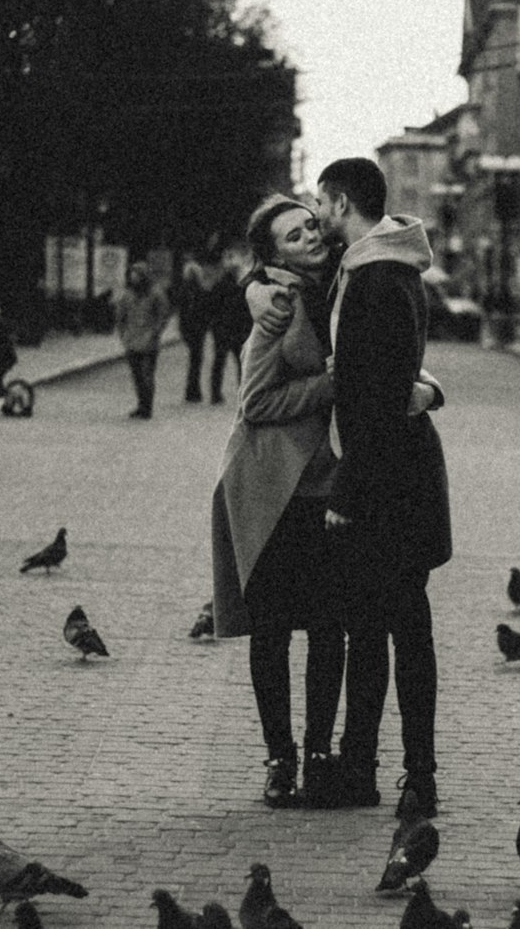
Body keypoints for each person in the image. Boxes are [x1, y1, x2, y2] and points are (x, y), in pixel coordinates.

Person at [227, 192, 443, 811]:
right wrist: (332, 383)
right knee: (272, 631)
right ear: (273, 258)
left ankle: (320, 755)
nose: (310, 237)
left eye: (310, 224)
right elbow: (256, 403)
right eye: (292, 238)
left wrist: (425, 388)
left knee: (329, 628)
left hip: (333, 484)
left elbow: (387, 353)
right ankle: (280, 760)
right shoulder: (278, 303)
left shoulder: (352, 278)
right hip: (278, 489)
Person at [316, 157, 451, 818]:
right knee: (369, 631)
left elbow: (380, 393)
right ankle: (361, 768)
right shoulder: (367, 273)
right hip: (385, 474)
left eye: (321, 202)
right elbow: (392, 380)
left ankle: (418, 777)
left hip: (391, 483)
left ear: (342, 204)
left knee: (404, 633)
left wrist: (346, 488)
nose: (316, 215)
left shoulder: (381, 279)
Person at [114, 261, 171, 420]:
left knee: (147, 374)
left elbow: (163, 314)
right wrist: (123, 334)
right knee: (137, 375)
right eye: (132, 274)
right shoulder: (127, 295)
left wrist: (155, 332)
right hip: (132, 339)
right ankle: (141, 404)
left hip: (148, 340)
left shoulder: (155, 293)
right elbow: (120, 316)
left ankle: (147, 406)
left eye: (137, 274)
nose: (134, 277)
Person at [178, 240, 222, 403]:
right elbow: (207, 311)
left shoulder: (184, 291)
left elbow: (183, 313)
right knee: (196, 360)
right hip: (198, 329)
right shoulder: (201, 291)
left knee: (195, 360)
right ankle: (193, 390)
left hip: (191, 328)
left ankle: (192, 390)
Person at [209, 252, 251, 405]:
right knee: (241, 363)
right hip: (237, 330)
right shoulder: (241, 288)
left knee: (219, 362)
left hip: (221, 330)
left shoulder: (218, 286)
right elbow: (245, 311)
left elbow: (212, 309)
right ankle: (243, 392)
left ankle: (215, 393)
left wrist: (214, 327)